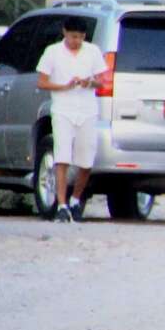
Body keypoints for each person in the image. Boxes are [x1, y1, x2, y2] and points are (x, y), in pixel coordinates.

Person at [35, 15, 105, 222]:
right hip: (63, 109)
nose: (77, 41)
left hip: (87, 110)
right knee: (62, 157)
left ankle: (76, 200)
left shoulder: (92, 51)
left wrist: (89, 82)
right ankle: (62, 205)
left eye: (80, 37)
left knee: (85, 160)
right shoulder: (53, 52)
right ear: (65, 33)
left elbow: (102, 80)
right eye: (73, 36)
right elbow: (42, 82)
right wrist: (64, 86)